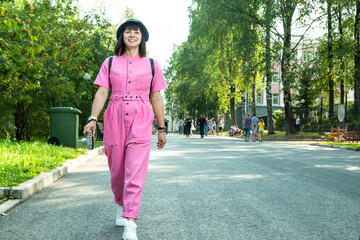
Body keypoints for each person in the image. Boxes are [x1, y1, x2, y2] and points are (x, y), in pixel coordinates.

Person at [83, 19, 167, 240]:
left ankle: (131, 221)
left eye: (136, 32)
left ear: (142, 37)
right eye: (128, 32)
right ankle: (120, 204)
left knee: (135, 172)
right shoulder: (110, 62)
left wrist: (161, 127)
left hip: (141, 118)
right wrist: (93, 118)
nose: (132, 35)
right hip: (114, 118)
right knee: (118, 171)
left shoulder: (152, 65)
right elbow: (102, 92)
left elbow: (156, 97)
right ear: (122, 36)